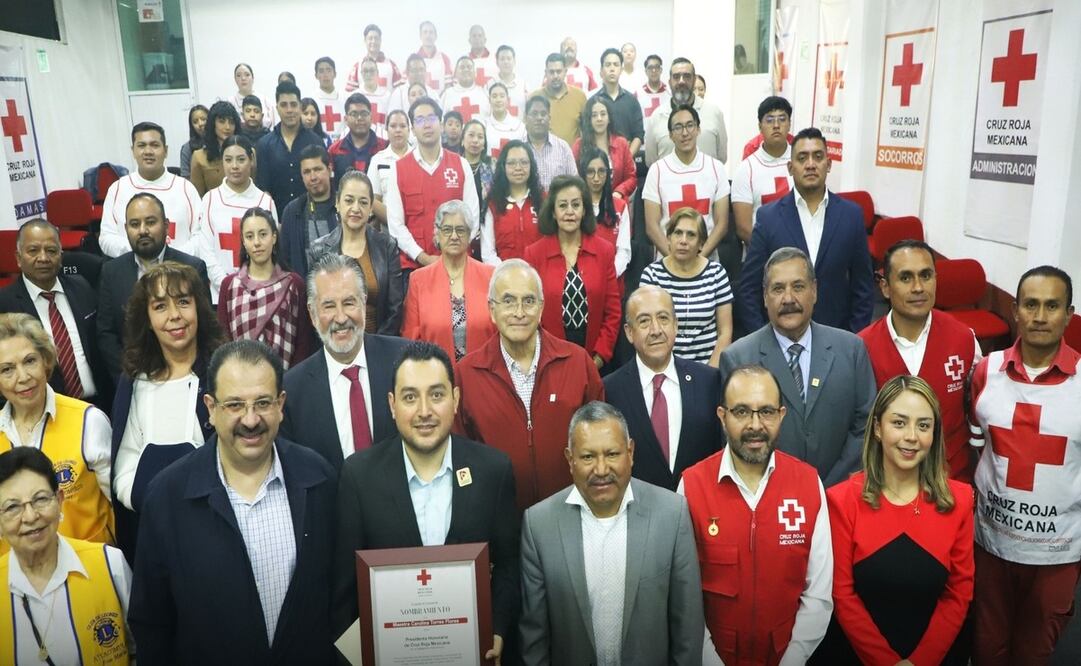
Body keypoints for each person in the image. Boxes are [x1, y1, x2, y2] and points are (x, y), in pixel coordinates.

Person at [130, 340, 338, 664]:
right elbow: (152, 624)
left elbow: (339, 601)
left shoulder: (319, 479)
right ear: (210, 408)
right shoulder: (167, 498)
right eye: (235, 405)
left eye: (263, 403)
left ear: (281, 405)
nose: (251, 420)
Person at [334, 341, 518, 662]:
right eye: (410, 397)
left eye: (436, 395)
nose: (424, 411)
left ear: (455, 399)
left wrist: (499, 630)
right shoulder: (359, 477)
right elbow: (345, 590)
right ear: (392, 405)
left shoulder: (493, 471)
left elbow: (508, 567)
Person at [519, 401, 704, 663]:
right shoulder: (539, 525)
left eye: (612, 454)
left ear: (630, 452)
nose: (601, 469)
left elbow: (688, 629)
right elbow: (534, 638)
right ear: (570, 460)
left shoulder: (671, 515)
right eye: (587, 457)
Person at [681, 364, 833, 665]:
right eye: (741, 412)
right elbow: (684, 597)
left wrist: (792, 660)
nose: (755, 425)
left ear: (781, 415)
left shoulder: (808, 483)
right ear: (722, 417)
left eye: (766, 412)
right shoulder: (692, 486)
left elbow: (818, 594)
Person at [817, 374, 973, 665]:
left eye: (923, 425)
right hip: (856, 656)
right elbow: (842, 594)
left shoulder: (960, 501)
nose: (911, 436)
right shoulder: (841, 500)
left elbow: (959, 593)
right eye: (899, 423)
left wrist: (921, 661)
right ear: (878, 428)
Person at [968, 266, 1081, 665]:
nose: (1040, 316)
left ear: (1069, 314)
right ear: (1015, 310)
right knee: (986, 648)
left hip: (1058, 553)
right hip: (991, 545)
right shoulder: (986, 371)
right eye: (1031, 305)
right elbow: (975, 447)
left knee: (1034, 654)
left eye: (1052, 306)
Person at [454, 259, 604, 510]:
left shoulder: (578, 363)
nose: (519, 312)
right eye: (508, 301)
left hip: (571, 511)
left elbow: (600, 441)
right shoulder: (466, 374)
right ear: (491, 309)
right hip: (497, 516)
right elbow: (460, 455)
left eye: (529, 301)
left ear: (541, 308)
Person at [720, 247, 876, 487]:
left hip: (840, 492)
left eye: (798, 287)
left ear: (814, 291)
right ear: (765, 297)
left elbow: (865, 426)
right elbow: (735, 437)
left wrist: (828, 489)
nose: (788, 299)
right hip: (769, 493)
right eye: (778, 289)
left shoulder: (851, 350)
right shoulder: (738, 358)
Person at [110, 262, 221, 557]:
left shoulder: (223, 373)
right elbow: (123, 466)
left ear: (199, 307)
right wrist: (150, 500)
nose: (174, 315)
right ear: (147, 319)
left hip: (217, 529)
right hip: (154, 532)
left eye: (183, 301)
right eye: (160, 306)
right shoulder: (134, 382)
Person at [859, 240, 982, 482]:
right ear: (885, 287)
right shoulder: (861, 347)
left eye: (926, 276)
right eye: (905, 278)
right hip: (887, 483)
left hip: (951, 479)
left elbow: (975, 411)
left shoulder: (965, 339)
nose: (918, 287)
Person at [0, 447, 132, 664]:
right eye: (12, 507)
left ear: (60, 500)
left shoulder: (110, 564)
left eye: (40, 499)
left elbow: (142, 647)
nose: (31, 517)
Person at [280, 253, 409, 471]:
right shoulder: (292, 391)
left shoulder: (405, 362)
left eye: (349, 303)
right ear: (312, 313)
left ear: (364, 303)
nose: (340, 318)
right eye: (329, 306)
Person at [738, 127, 875, 333]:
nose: (810, 164)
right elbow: (749, 289)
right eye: (802, 158)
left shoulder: (851, 216)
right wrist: (764, 340)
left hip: (836, 337)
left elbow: (863, 288)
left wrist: (852, 339)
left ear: (828, 164)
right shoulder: (768, 218)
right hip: (780, 336)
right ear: (790, 167)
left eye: (818, 157)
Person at [0, 314, 115, 549]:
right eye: (7, 369)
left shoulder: (88, 420)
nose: (23, 377)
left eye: (30, 361)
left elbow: (120, 507)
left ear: (46, 361)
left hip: (87, 565)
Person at [603, 286, 723, 491]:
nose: (656, 330)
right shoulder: (610, 390)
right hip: (638, 506)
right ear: (629, 332)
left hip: (699, 502)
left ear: (676, 325)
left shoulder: (709, 381)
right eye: (644, 321)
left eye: (663, 318)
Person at [97, 193, 211, 381]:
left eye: (150, 222)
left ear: (166, 225)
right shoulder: (111, 271)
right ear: (126, 229)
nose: (143, 230)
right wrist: (130, 378)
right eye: (135, 224)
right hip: (132, 378)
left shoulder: (192, 268)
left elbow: (205, 327)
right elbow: (106, 333)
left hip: (187, 376)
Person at [0, 220, 111, 409]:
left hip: (99, 405)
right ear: (18, 258)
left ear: (61, 256)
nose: (43, 258)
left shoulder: (81, 286)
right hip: (43, 411)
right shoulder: (4, 304)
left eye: (51, 251)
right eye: (33, 250)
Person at [524, 175, 621, 369]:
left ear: (584, 210)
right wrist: (547, 358)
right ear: (553, 212)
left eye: (576, 205)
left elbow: (613, 312)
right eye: (563, 205)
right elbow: (530, 312)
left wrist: (598, 359)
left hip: (595, 360)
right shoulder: (534, 254)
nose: (570, 212)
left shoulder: (604, 250)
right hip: (549, 360)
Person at [385, 97, 478, 274]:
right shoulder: (398, 169)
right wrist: (422, 257)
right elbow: (396, 225)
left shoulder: (461, 164)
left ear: (441, 125)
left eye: (431, 118)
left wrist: (450, 254)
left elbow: (472, 218)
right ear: (413, 129)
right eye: (420, 120)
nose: (426, 125)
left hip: (458, 265)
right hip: (414, 267)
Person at [217, 207, 314, 369]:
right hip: (239, 377)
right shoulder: (229, 286)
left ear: (274, 237)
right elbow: (223, 342)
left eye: (263, 234)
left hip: (287, 379)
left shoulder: (294, 284)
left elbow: (303, 344)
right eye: (249, 236)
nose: (257, 242)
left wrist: (292, 380)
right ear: (243, 241)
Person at [308, 170, 403, 335]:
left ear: (371, 208)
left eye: (363, 202)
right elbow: (316, 308)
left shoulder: (387, 246)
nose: (356, 208)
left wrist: (375, 344)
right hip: (335, 339)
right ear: (337, 203)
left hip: (380, 341)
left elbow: (395, 309)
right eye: (349, 200)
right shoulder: (319, 250)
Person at [403, 200, 496, 363]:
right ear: (437, 234)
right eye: (447, 230)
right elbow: (411, 337)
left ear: (469, 234)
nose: (454, 236)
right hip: (435, 372)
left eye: (460, 230)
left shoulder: (490, 276)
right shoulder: (418, 280)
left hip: (484, 370)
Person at [639, 207, 733, 365]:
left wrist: (711, 372)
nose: (683, 240)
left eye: (691, 235)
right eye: (678, 233)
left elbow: (725, 332)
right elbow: (647, 330)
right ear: (668, 238)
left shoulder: (716, 273)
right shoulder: (652, 275)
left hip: (708, 368)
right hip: (664, 367)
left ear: (701, 243)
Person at [99, 122, 202, 257]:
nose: (148, 151)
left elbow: (200, 236)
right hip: (132, 267)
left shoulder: (186, 188)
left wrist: (172, 259)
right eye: (141, 145)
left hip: (179, 266)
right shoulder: (117, 189)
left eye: (155, 145)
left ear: (166, 151)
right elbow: (106, 237)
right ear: (133, 151)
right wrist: (142, 255)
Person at [642, 105, 730, 259]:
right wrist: (675, 261)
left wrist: (699, 260)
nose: (685, 133)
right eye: (678, 127)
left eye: (690, 125)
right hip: (668, 261)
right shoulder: (657, 170)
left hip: (707, 261)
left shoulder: (716, 168)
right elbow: (652, 227)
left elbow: (721, 224)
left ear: (698, 129)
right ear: (670, 135)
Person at [193, 135, 276, 298]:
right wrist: (227, 285)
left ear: (251, 160)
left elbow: (272, 248)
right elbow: (206, 249)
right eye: (228, 160)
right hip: (219, 295)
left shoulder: (265, 201)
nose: (235, 166)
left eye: (241, 159)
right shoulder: (210, 199)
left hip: (260, 293)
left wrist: (254, 286)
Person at [255, 81, 324, 216]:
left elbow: (323, 184)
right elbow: (263, 188)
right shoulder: (264, 144)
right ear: (277, 108)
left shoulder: (316, 142)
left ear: (300, 107)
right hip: (278, 219)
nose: (289, 110)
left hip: (312, 218)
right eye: (284, 105)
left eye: (293, 104)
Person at [731, 96, 793, 242]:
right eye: (769, 120)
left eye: (782, 119)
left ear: (789, 124)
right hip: (761, 251)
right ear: (760, 127)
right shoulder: (746, 170)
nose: (776, 125)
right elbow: (744, 228)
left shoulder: (802, 162)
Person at [645, 58, 728, 166]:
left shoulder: (714, 113)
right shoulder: (656, 117)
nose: (681, 81)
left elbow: (721, 158)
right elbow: (651, 162)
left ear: (694, 80)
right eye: (676, 77)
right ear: (669, 82)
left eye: (687, 76)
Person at [279, 145, 338, 278]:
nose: (313, 177)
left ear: (329, 170)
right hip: (304, 288)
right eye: (307, 172)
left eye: (317, 169)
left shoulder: (344, 207)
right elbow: (285, 260)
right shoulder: (292, 212)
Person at [481, 140, 543, 265]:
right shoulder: (493, 204)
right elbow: (488, 254)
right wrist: (509, 272)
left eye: (524, 162)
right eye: (511, 163)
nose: (518, 168)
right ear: (503, 166)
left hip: (539, 273)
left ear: (531, 166)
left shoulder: (543, 200)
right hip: (504, 273)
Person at [573, 95, 637, 201]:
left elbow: (631, 178)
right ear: (589, 119)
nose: (599, 119)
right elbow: (574, 178)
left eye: (603, 114)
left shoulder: (621, 143)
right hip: (587, 203)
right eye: (594, 115)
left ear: (609, 118)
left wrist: (619, 192)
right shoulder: (579, 145)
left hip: (617, 202)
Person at [579, 148, 631, 277]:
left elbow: (624, 251)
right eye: (590, 172)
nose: (596, 178)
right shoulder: (576, 206)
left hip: (613, 278)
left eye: (601, 171)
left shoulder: (620, 206)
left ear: (608, 173)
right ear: (583, 173)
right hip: (581, 278)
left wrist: (608, 275)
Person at [328, 92, 388, 190]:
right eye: (354, 114)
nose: (360, 118)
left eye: (364, 113)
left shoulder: (384, 147)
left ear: (371, 117)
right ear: (346, 119)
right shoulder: (334, 150)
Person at [590, 47, 645, 155]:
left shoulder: (632, 101)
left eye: (616, 65)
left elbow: (638, 135)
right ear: (601, 70)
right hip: (600, 160)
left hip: (627, 159)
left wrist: (626, 158)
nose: (612, 69)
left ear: (621, 70)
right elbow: (588, 134)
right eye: (608, 65)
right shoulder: (593, 102)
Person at [368, 109, 412, 228]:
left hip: (416, 224)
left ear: (409, 130)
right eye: (393, 126)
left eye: (402, 126)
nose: (398, 130)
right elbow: (374, 199)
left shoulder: (418, 157)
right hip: (387, 228)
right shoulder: (377, 160)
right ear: (386, 130)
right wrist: (394, 222)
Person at [524, 94, 577, 191]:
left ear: (549, 118)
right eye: (534, 114)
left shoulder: (563, 147)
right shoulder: (518, 148)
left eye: (543, 114)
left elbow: (574, 183)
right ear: (526, 118)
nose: (539, 118)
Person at [190, 101, 240, 197]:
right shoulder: (199, 157)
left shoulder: (248, 153)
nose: (227, 127)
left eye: (231, 122)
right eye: (222, 121)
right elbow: (197, 197)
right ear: (213, 124)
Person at [538, 52, 587, 144]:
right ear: (546, 73)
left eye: (559, 71)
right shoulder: (535, 97)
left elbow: (587, 130)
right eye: (551, 72)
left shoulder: (580, 96)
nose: (555, 76)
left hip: (573, 153)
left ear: (565, 72)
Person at [344, 23, 401, 93]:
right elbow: (349, 93)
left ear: (380, 40)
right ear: (365, 40)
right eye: (370, 38)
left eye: (376, 38)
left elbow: (401, 91)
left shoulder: (391, 65)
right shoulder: (357, 66)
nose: (373, 41)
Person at [350, 57, 392, 139]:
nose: (368, 74)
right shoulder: (354, 96)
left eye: (372, 71)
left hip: (382, 140)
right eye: (365, 71)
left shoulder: (387, 96)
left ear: (377, 73)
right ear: (361, 73)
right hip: (360, 140)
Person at [484, 81, 526, 159]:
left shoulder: (520, 126)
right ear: (489, 100)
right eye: (494, 96)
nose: (498, 100)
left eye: (502, 96)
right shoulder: (484, 125)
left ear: (507, 100)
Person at [441, 56, 490, 123]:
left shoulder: (484, 93)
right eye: (462, 67)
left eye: (469, 67)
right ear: (456, 73)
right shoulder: (447, 95)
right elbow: (441, 120)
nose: (466, 70)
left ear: (475, 72)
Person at [229, 62, 274, 130]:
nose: (243, 78)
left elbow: (273, 127)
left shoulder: (266, 101)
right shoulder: (230, 103)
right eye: (238, 75)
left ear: (253, 78)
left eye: (247, 75)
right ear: (235, 79)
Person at [461, 119, 494, 208]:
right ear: (462, 140)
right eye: (471, 135)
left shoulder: (492, 168)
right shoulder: (454, 165)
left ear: (484, 144)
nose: (475, 140)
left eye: (480, 137)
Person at [415, 20, 453, 95]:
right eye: (425, 32)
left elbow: (448, 86)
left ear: (436, 36)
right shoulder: (414, 59)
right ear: (420, 36)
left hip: (440, 100)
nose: (428, 35)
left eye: (431, 32)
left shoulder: (444, 59)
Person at [493, 44, 529, 119]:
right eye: (502, 59)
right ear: (497, 62)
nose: (506, 62)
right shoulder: (490, 84)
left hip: (519, 125)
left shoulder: (523, 84)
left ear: (514, 61)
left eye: (509, 58)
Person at [313, 56, 345, 140]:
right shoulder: (312, 101)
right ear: (316, 76)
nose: (325, 75)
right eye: (321, 71)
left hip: (341, 145)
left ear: (335, 74)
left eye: (329, 70)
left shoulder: (345, 99)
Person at [636, 54, 671, 126]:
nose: (654, 70)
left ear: (661, 70)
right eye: (650, 68)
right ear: (646, 71)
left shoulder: (670, 92)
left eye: (657, 67)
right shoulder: (638, 94)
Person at [179, 104, 208, 179]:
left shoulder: (220, 142)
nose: (200, 124)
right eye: (195, 122)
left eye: (203, 119)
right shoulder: (187, 148)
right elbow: (185, 178)